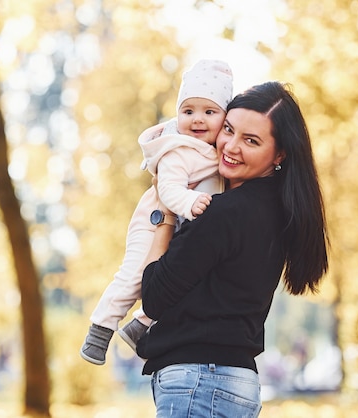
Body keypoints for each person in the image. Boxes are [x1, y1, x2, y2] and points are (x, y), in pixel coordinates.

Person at [136, 81, 329, 417]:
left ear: (279, 153)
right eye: (228, 129)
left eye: (251, 140)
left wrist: (166, 210)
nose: (230, 146)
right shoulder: (275, 210)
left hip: (199, 382)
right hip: (231, 381)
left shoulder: (224, 213)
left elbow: (153, 295)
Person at [80, 60, 234, 365]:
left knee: (176, 276)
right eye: (188, 111)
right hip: (154, 219)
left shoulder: (219, 150)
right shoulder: (178, 149)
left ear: (224, 118)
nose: (197, 120)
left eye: (209, 112)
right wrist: (189, 202)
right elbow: (169, 189)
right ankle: (100, 329)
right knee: (135, 274)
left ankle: (140, 325)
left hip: (182, 223)